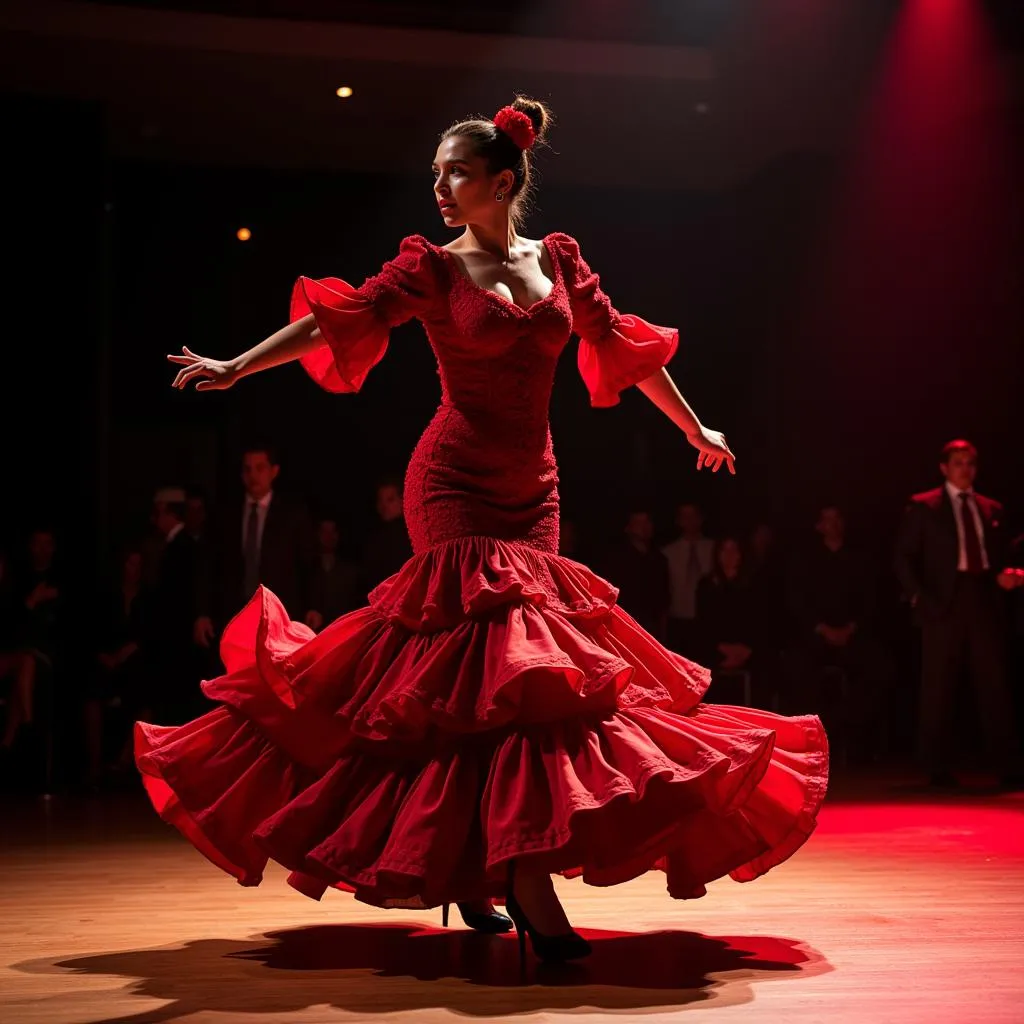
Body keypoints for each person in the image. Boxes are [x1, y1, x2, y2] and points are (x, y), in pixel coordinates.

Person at [138, 95, 828, 969]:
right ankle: (524, 881)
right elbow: (334, 319)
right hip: (453, 485)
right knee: (485, 668)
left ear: (503, 182)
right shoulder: (432, 269)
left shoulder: (562, 265)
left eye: (455, 172)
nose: (439, 186)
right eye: (436, 174)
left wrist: (695, 430)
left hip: (534, 491)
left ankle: (476, 873)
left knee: (520, 686)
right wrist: (239, 364)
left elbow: (622, 347)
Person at [894, 440, 1024, 788]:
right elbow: (904, 557)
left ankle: (1008, 766)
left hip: (982, 596)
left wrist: (1007, 575)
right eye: (958, 463)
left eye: (969, 463)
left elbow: (1000, 554)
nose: (964, 469)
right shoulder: (925, 506)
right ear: (944, 468)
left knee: (994, 683)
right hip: (943, 603)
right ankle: (935, 767)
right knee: (938, 686)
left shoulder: (991, 508)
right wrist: (920, 599)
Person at [192, 445, 321, 650]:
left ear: (274, 471)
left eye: (260, 468)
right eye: (247, 469)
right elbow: (208, 565)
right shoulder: (226, 514)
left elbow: (309, 563)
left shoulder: (292, 514)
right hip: (233, 613)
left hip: (280, 615)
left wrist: (313, 606)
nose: (253, 475)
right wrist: (202, 612)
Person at [596, 508, 671, 642]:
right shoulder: (616, 559)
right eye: (638, 523)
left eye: (646, 522)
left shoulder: (659, 560)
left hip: (651, 628)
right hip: (623, 625)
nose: (643, 528)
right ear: (628, 527)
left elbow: (663, 601)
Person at [661, 502, 715, 659]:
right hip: (678, 621)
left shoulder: (713, 549)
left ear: (700, 519)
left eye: (693, 516)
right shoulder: (668, 553)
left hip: (708, 621)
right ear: (679, 521)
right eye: (685, 516)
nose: (689, 521)